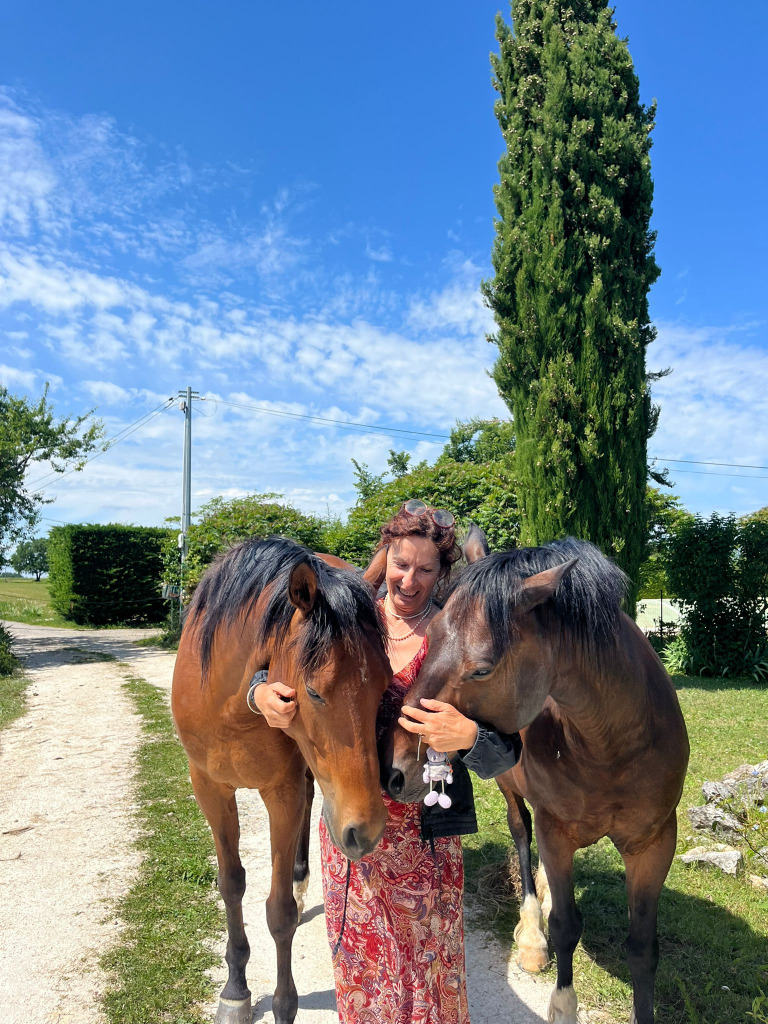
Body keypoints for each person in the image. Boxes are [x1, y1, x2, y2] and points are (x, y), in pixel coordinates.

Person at [250, 500, 521, 1024]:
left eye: (425, 569)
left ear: (442, 573)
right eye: (400, 563)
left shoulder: (456, 639)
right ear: (385, 557)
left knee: (426, 971)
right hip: (353, 824)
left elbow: (508, 751)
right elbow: (275, 668)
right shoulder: (353, 619)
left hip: (427, 836)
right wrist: (258, 694)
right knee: (363, 965)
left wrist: (468, 736)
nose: (409, 580)